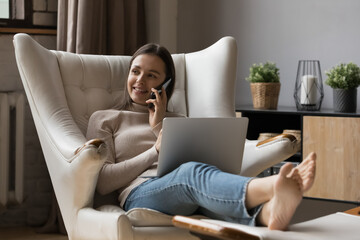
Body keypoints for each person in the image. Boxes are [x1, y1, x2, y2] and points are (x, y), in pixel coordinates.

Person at [86, 43, 316, 230]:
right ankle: (273, 185)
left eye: (151, 75)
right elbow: (104, 183)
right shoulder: (106, 118)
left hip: (186, 188)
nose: (140, 81)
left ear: (165, 84)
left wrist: (159, 125)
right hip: (140, 193)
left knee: (201, 187)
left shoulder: (179, 121)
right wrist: (154, 150)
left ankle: (269, 213)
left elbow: (190, 164)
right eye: (135, 71)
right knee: (190, 174)